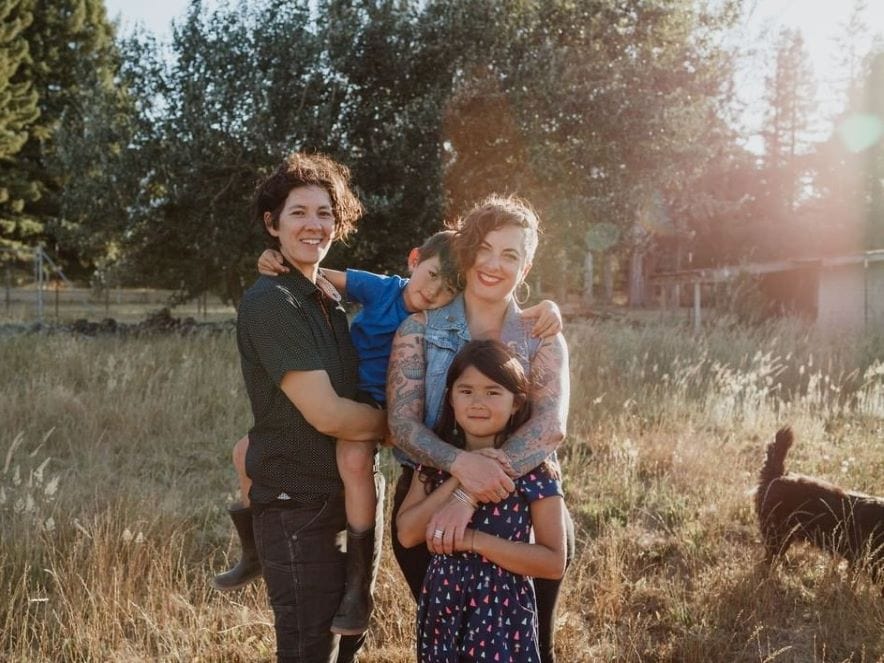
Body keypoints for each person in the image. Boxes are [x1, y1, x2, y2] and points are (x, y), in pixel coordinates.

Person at [218, 230, 562, 635]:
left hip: (381, 406)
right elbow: (316, 273)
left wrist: (548, 306)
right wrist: (278, 262)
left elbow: (542, 412)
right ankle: (255, 546)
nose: (434, 291)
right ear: (414, 260)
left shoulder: (450, 321)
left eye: (447, 286)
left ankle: (359, 582)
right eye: (431, 275)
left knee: (353, 457)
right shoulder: (386, 291)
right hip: (343, 393)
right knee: (246, 450)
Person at [387, 194, 574, 663]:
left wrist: (472, 490)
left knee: (532, 646)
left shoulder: (541, 337)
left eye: (510, 255)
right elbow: (402, 426)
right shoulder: (419, 329)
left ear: (526, 269)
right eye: (484, 249)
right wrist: (458, 467)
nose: (494, 264)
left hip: (526, 507)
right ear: (467, 252)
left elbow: (550, 427)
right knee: (446, 640)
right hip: (429, 500)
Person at [234, 151, 386, 662]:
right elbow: (327, 415)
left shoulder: (323, 295)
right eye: (298, 212)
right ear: (271, 224)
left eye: (324, 213)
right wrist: (395, 427)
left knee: (346, 648)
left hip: (344, 494)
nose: (313, 224)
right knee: (306, 649)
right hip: (297, 506)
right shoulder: (273, 302)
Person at [396, 339, 567, 662]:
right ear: (450, 399)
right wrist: (463, 474)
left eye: (493, 392)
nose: (477, 402)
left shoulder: (534, 467)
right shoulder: (436, 461)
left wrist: (474, 540)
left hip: (503, 615)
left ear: (516, 403)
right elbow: (407, 533)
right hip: (444, 610)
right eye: (466, 391)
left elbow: (553, 561)